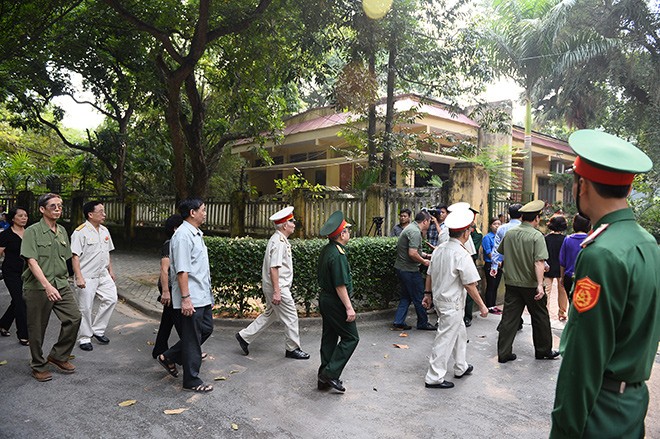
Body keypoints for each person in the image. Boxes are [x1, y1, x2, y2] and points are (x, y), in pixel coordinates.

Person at [551, 130, 660, 438]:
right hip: (632, 401)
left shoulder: (600, 254)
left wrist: (564, 429)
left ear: (581, 185)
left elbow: (583, 359)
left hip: (597, 410)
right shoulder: (648, 243)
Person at [422, 208, 488, 389]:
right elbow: (470, 284)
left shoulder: (440, 249)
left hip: (441, 300)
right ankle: (434, 377)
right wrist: (482, 306)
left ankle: (461, 366)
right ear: (466, 233)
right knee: (444, 339)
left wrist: (427, 295)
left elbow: (429, 274)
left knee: (460, 333)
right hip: (452, 303)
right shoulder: (461, 254)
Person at [21, 193, 81, 382]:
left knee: (74, 317)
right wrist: (47, 286)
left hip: (61, 284)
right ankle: (38, 365)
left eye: (60, 206)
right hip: (38, 287)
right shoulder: (32, 231)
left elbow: (66, 258)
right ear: (42, 209)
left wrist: (76, 276)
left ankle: (58, 355)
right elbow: (31, 261)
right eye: (53, 206)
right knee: (37, 328)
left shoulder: (62, 230)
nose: (58, 209)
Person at [235, 206, 310, 360]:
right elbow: (274, 268)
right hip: (279, 287)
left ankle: (244, 336)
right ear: (284, 225)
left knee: (270, 314)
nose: (294, 223)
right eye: (291, 221)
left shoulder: (279, 239)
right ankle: (292, 349)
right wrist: (277, 291)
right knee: (291, 317)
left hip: (275, 286)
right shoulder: (279, 242)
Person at [157, 199, 214, 393]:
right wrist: (186, 298)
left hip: (202, 295)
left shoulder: (196, 234)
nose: (205, 213)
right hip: (192, 296)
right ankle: (191, 379)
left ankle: (170, 356)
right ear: (192, 212)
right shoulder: (182, 236)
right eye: (203, 210)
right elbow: (182, 271)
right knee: (191, 338)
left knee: (206, 329)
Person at [495, 199, 558, 363]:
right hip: (530, 284)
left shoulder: (509, 233)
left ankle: (504, 353)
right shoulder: (537, 236)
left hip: (512, 283)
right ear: (536, 218)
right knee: (540, 317)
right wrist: (539, 285)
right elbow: (539, 262)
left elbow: (502, 253)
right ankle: (543, 350)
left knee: (509, 318)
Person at [317, 210, 359, 393]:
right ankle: (331, 373)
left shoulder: (328, 250)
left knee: (330, 336)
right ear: (342, 234)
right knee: (351, 337)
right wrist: (349, 308)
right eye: (347, 230)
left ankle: (323, 376)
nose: (349, 233)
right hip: (335, 302)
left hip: (326, 300)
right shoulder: (338, 254)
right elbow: (340, 285)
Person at [70, 201, 117, 351]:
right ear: (90, 214)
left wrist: (111, 270)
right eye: (101, 212)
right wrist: (78, 277)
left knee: (111, 299)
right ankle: (84, 338)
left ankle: (97, 330)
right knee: (85, 307)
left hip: (103, 274)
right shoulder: (80, 232)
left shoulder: (104, 231)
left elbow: (107, 252)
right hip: (87, 275)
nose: (104, 214)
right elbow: (75, 256)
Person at [392, 210, 435, 331]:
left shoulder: (411, 228)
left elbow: (414, 250)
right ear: (425, 221)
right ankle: (423, 323)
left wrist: (427, 255)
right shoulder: (415, 232)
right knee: (419, 296)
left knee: (406, 296)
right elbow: (412, 253)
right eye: (429, 222)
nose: (429, 225)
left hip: (402, 268)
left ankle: (398, 321)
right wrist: (424, 262)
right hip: (409, 270)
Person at [152, 214, 184, 359]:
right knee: (181, 322)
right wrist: (165, 292)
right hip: (170, 288)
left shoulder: (178, 242)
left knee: (168, 320)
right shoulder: (170, 244)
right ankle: (189, 350)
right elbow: (164, 269)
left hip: (171, 287)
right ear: (175, 228)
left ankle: (159, 349)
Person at [0, 207, 30, 345]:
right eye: (20, 216)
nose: (24, 218)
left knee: (17, 301)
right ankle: (23, 335)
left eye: (25, 215)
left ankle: (3, 325)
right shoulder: (6, 235)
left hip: (27, 272)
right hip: (10, 272)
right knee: (21, 301)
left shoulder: (30, 233)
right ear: (13, 218)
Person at [558, 214, 590, 302]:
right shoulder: (590, 240)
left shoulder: (567, 239)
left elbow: (562, 261)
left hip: (569, 277)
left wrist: (562, 277)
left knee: (571, 302)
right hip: (586, 278)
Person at [544, 215, 568, 321]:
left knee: (546, 291)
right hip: (561, 268)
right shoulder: (565, 239)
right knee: (562, 291)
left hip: (547, 268)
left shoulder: (546, 238)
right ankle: (562, 312)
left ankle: (545, 312)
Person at [481, 217, 502, 314]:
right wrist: (496, 261)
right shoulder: (487, 238)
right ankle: (489, 306)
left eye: (499, 224)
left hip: (500, 264)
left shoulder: (500, 237)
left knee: (496, 285)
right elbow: (488, 251)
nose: (497, 226)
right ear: (490, 226)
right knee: (491, 285)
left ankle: (494, 304)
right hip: (490, 264)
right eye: (495, 224)